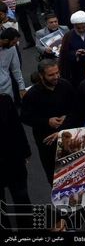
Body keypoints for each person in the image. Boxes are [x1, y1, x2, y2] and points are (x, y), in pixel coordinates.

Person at [21, 59, 78, 184]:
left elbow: (76, 108)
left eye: (57, 73)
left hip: (70, 136)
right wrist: (47, 122)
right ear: (41, 76)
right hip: (47, 143)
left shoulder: (65, 85)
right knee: (55, 177)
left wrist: (66, 117)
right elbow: (25, 117)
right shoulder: (32, 95)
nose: (56, 77)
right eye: (51, 75)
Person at [0, 94, 32, 230]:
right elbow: (17, 128)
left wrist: (25, 152)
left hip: (13, 159)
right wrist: (25, 152)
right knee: (21, 199)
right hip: (13, 159)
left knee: (21, 198)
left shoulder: (5, 100)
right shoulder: (4, 100)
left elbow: (17, 128)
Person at [0, 28, 26, 102]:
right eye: (14, 42)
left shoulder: (12, 48)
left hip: (7, 88)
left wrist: (22, 87)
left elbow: (16, 69)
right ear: (5, 40)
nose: (15, 45)